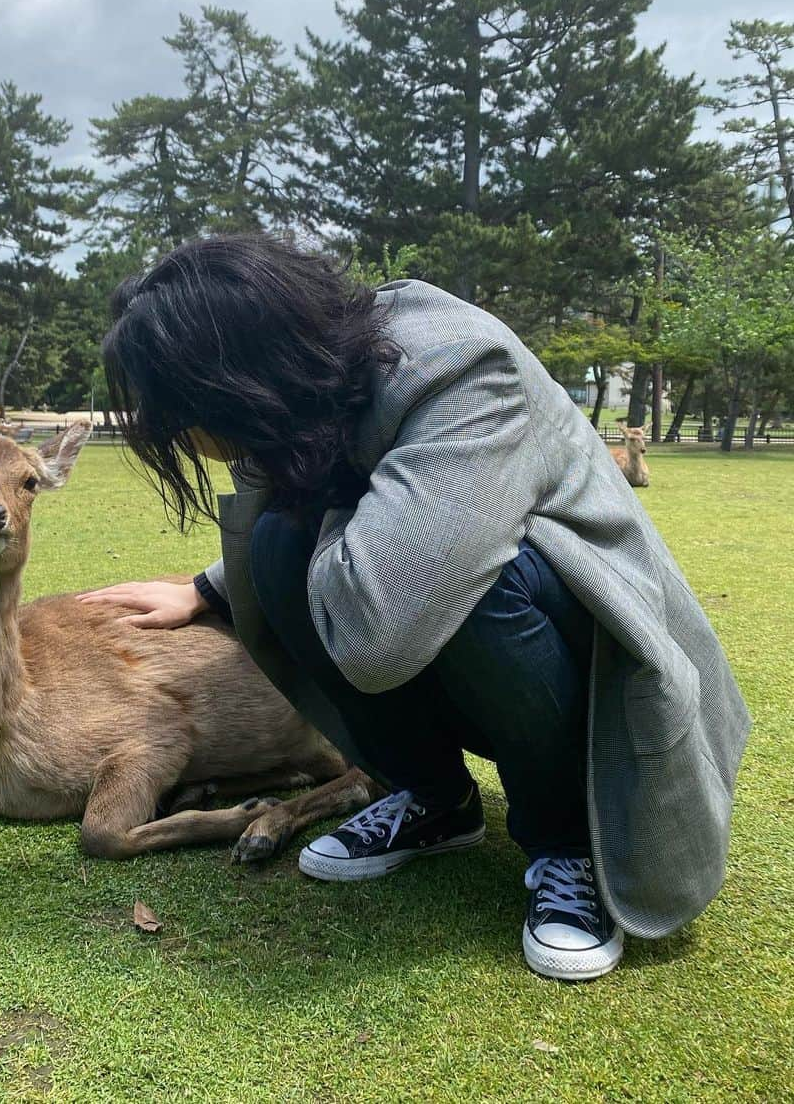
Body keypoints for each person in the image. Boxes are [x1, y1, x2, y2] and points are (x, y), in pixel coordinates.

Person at [79, 236, 750, 983]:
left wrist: (315, 499)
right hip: (495, 648)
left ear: (244, 378)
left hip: (597, 662)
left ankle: (569, 844)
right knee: (273, 547)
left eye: (182, 413)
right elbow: (336, 505)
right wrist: (205, 590)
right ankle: (435, 801)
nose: (180, 437)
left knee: (457, 578)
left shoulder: (458, 370)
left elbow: (375, 635)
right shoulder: (322, 377)